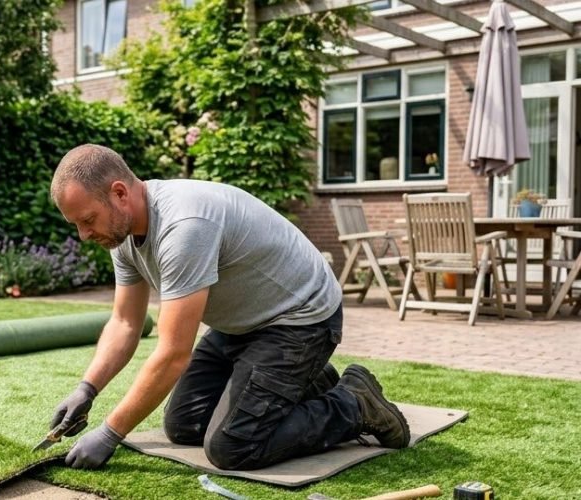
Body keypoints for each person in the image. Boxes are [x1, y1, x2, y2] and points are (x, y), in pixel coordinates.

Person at [47, 144, 409, 471]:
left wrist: (111, 433)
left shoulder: (183, 227)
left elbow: (173, 353)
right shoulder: (122, 235)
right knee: (184, 425)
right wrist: (87, 389)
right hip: (241, 325)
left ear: (119, 193)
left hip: (300, 320)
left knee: (233, 447)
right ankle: (308, 381)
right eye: (76, 224)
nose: (84, 234)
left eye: (87, 220)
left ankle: (354, 403)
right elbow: (126, 322)